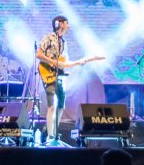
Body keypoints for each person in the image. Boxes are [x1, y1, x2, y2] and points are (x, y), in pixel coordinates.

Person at [35, 15, 97, 146]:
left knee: (61, 104)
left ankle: (50, 130)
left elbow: (64, 62)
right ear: (60, 24)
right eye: (66, 23)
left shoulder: (64, 42)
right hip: (48, 74)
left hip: (58, 76)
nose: (68, 26)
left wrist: (78, 63)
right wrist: (53, 62)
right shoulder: (48, 37)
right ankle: (51, 136)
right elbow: (39, 54)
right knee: (52, 105)